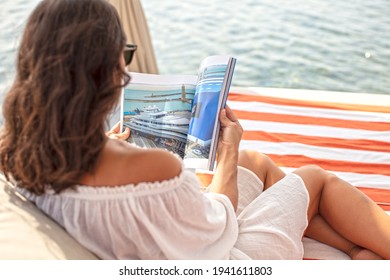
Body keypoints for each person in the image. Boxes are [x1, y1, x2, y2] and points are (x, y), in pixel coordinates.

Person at [1, 0, 389, 260]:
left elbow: (94, 181)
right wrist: (229, 148)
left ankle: (354, 252)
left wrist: (103, 143)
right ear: (105, 70)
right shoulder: (150, 166)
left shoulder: (17, 153)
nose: (126, 70)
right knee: (313, 178)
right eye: (124, 56)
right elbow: (219, 222)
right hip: (222, 260)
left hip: (159, 247)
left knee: (258, 163)